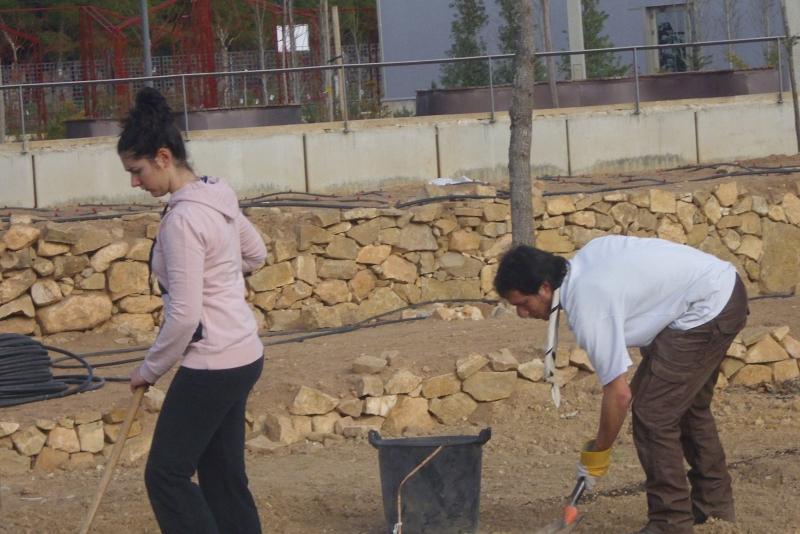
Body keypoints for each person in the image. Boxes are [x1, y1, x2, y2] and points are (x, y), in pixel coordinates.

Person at [494, 235, 748, 534]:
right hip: (716, 291)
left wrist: (597, 454)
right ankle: (714, 507)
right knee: (686, 407)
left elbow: (619, 393)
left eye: (523, 304)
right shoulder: (587, 258)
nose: (523, 313)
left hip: (707, 306)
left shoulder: (589, 304)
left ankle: (671, 523)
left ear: (545, 287)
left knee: (654, 413)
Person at [118, 87, 267, 534]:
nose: (134, 183)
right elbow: (255, 254)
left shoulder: (182, 220)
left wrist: (149, 370)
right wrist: (219, 275)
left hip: (213, 363)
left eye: (137, 171)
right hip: (245, 354)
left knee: (165, 475)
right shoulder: (217, 194)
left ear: (163, 157)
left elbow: (183, 317)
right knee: (222, 476)